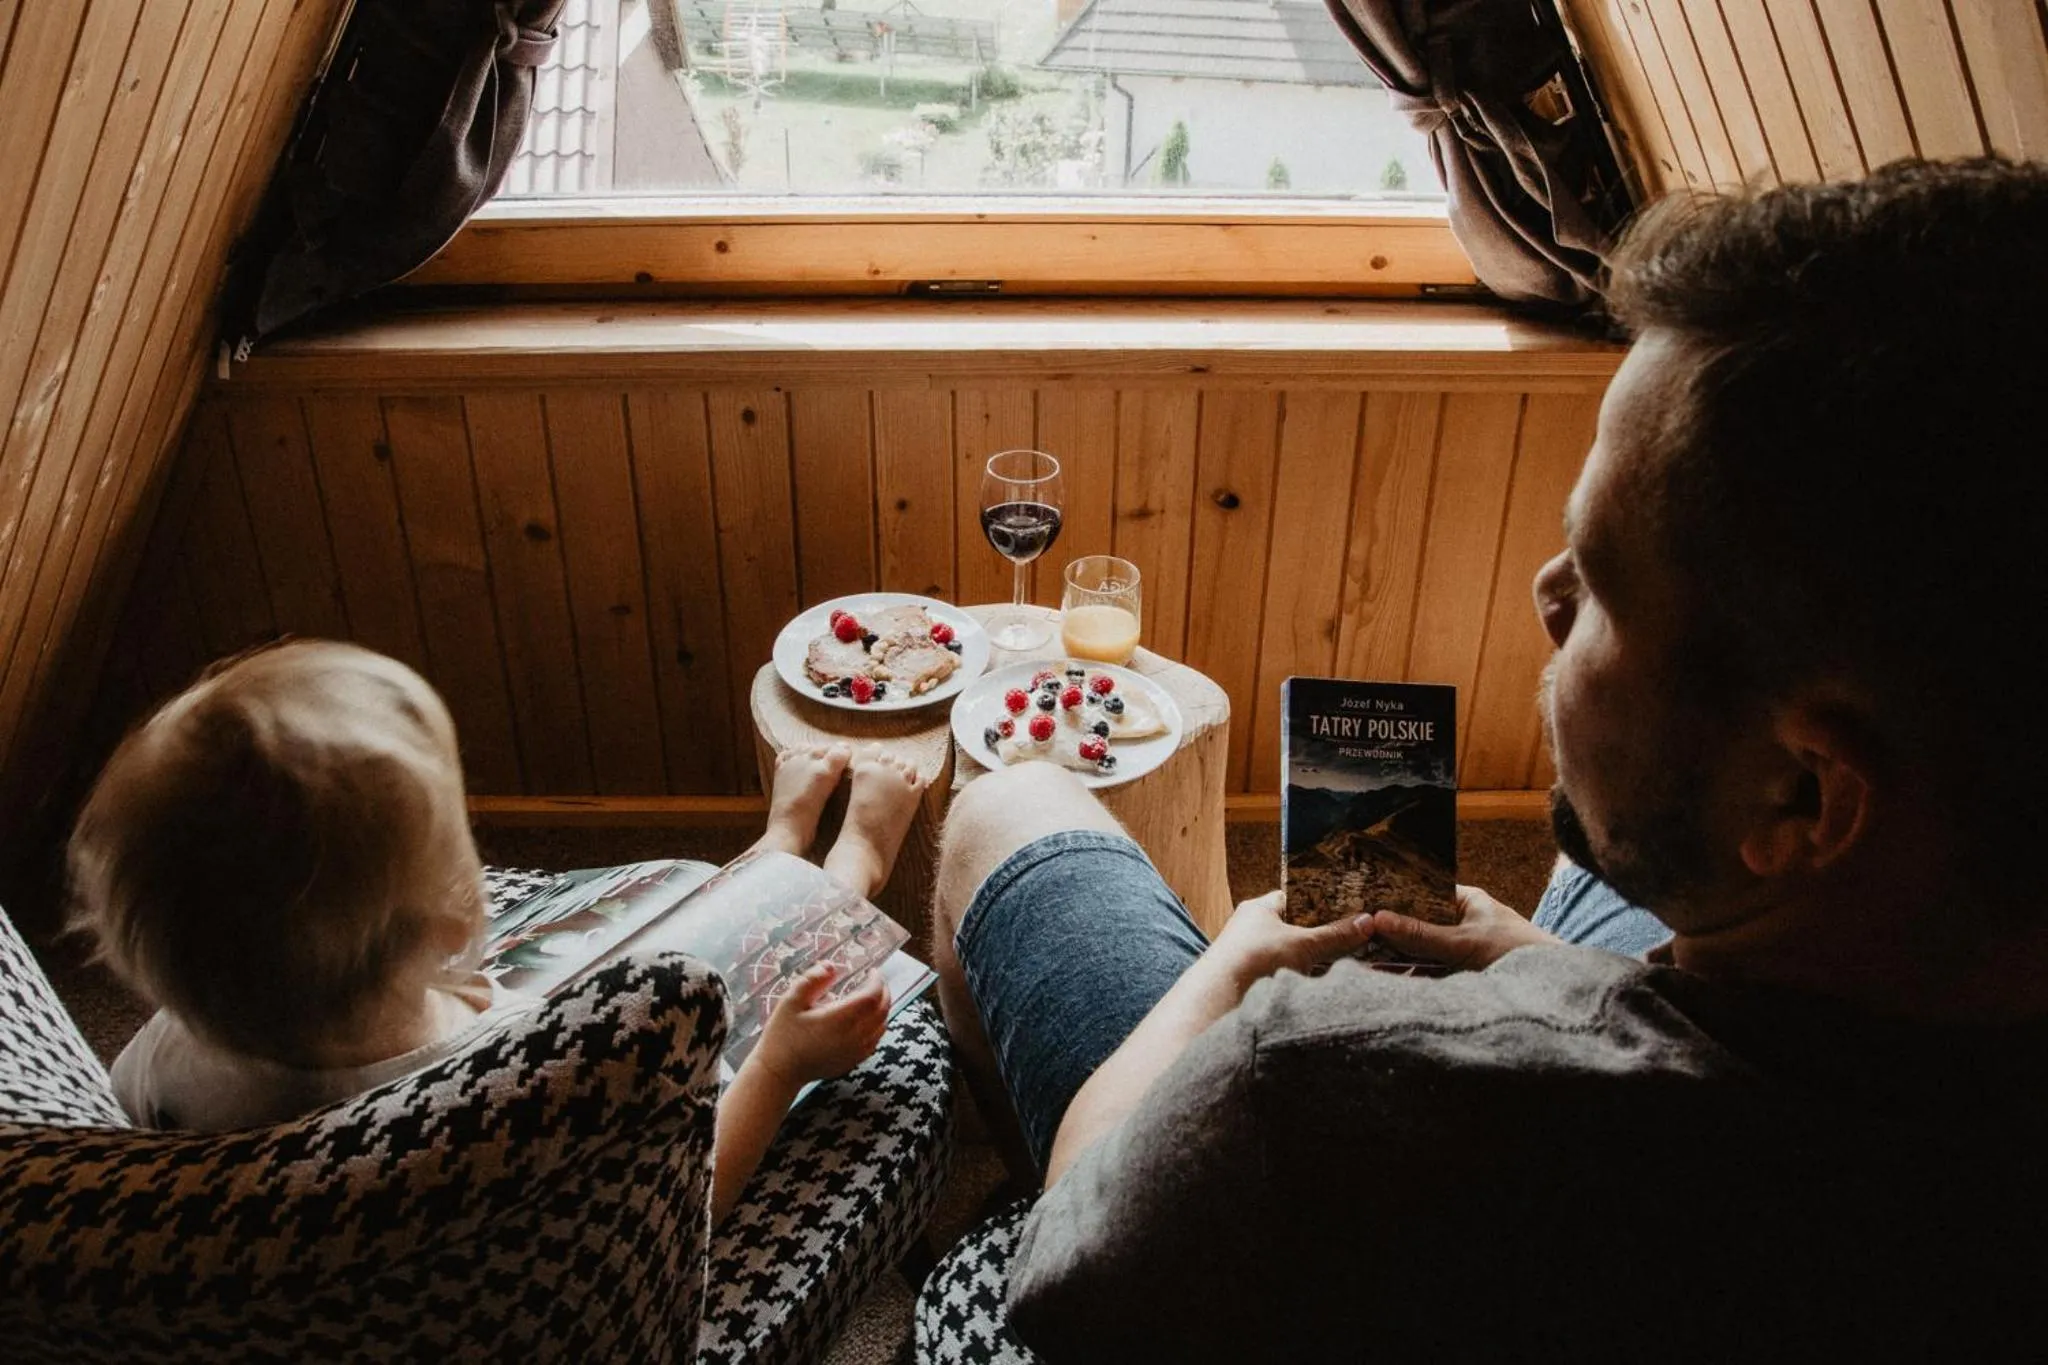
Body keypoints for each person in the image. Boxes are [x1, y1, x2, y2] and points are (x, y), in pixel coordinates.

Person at [931, 157, 2048, 1360]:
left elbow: (1069, 1259)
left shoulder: (1306, 1083)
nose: (1543, 593)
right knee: (1596, 865)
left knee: (1012, 806)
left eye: (1600, 584)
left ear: (1800, 795)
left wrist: (1235, 965)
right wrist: (1556, 971)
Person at [69, 640, 925, 1223]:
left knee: (658, 951)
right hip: (609, 1132)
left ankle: (775, 845)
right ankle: (850, 864)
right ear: (452, 914)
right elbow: (682, 1197)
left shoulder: (167, 1052)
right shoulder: (524, 1085)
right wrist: (778, 1065)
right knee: (724, 975)